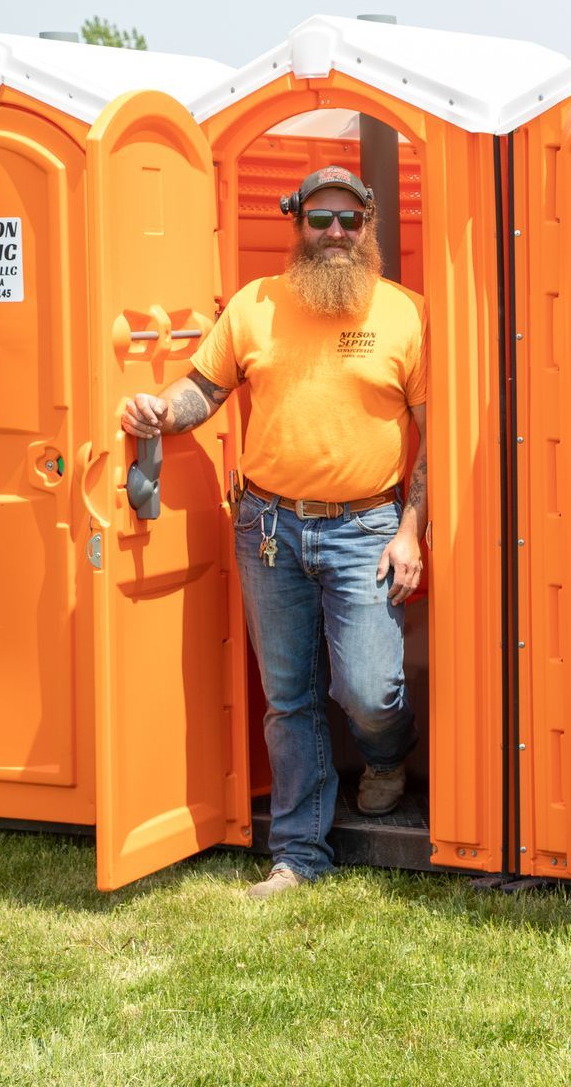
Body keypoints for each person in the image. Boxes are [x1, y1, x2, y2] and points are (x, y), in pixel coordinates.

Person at [120, 165, 428, 899]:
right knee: (288, 697)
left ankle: (388, 757)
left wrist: (412, 529)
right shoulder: (255, 306)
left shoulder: (406, 314)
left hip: (367, 528)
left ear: (369, 227)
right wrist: (161, 410)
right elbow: (205, 387)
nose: (335, 235)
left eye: (349, 221)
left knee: (368, 691)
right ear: (297, 224)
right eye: (320, 220)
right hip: (267, 526)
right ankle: (298, 854)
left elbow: (436, 434)